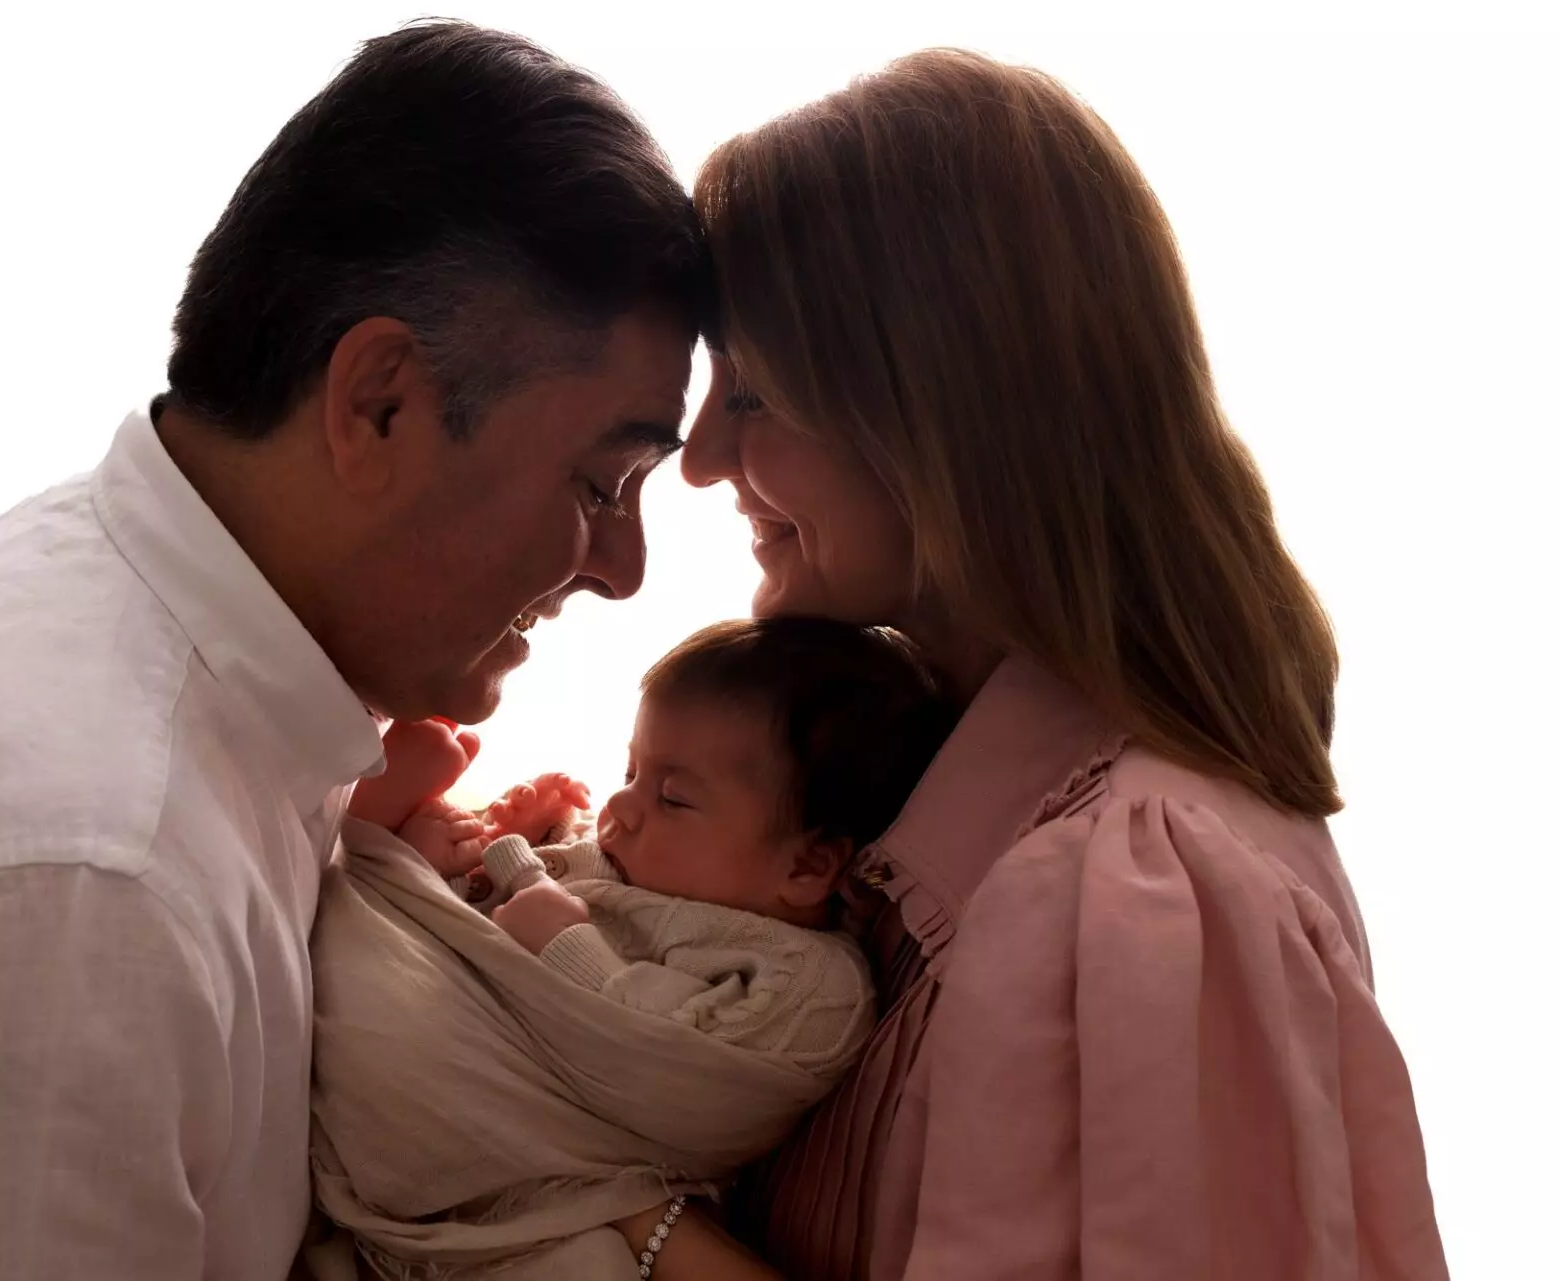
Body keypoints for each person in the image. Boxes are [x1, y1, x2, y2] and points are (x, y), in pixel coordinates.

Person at [0, 21, 707, 1280]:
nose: (625, 570)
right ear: (379, 403)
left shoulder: (183, 611)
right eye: (600, 483)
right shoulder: (73, 898)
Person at [610, 49, 1450, 1281]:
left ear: (941, 412)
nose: (697, 459)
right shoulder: (937, 837)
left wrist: (615, 1221)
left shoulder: (1146, 884)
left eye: (754, 394)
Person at [309, 617, 955, 1280]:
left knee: (584, 1262)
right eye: (631, 769)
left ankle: (375, 844)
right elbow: (511, 912)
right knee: (385, 917)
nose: (621, 801)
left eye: (672, 796)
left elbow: (681, 1066)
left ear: (809, 864)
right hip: (463, 1019)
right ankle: (389, 849)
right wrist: (501, 845)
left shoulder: (808, 980)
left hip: (533, 1150)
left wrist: (566, 945)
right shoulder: (630, 864)